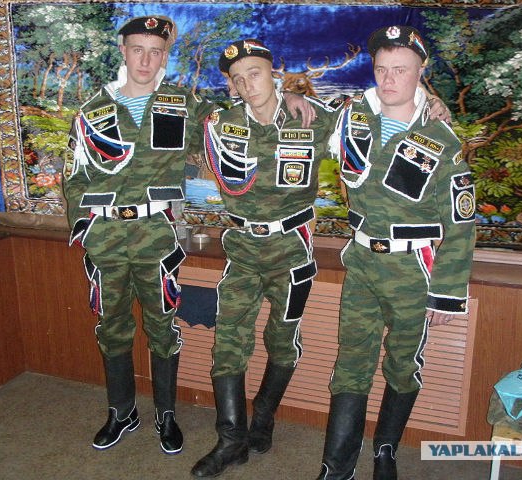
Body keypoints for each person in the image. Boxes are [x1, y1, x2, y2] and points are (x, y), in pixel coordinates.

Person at [315, 26, 476, 480]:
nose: (388, 79)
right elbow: (303, 123)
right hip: (362, 263)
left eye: (400, 70)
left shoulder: (442, 139)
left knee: (403, 364)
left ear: (421, 72)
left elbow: (461, 223)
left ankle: (385, 451)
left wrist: (447, 293)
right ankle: (336, 467)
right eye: (382, 69)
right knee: (351, 361)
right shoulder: (351, 117)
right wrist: (290, 98)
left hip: (412, 270)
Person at [189, 38, 348, 478]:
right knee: (228, 342)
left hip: (291, 251)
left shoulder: (311, 118)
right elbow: (165, 108)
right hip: (242, 249)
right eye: (237, 79)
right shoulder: (219, 123)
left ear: (273, 74)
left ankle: (263, 417)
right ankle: (230, 441)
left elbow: (370, 119)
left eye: (255, 73)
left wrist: (429, 102)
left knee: (282, 339)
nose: (247, 84)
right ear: (231, 85)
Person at [62, 15, 215, 454]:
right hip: (106, 235)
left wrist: (286, 99)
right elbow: (73, 176)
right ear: (123, 51)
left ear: (164, 57)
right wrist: (87, 228)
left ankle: (166, 415)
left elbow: (235, 121)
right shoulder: (93, 111)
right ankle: (121, 412)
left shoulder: (183, 103)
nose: (145, 60)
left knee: (162, 325)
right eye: (137, 50)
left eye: (155, 51)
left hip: (155, 233)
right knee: (111, 326)